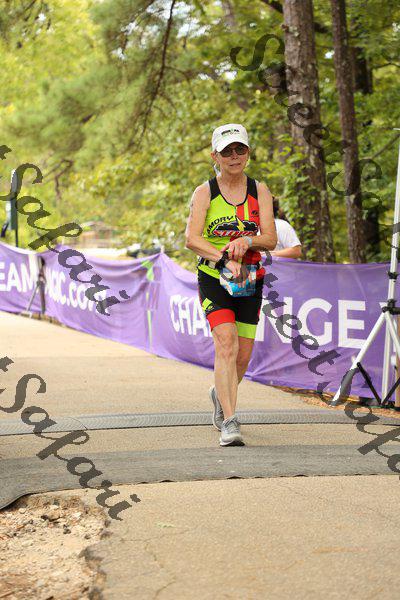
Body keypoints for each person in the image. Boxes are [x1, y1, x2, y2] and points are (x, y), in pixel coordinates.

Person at [185, 123, 277, 446]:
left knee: (242, 358)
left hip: (248, 279)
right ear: (216, 156)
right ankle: (230, 421)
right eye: (227, 151)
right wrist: (223, 257)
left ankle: (219, 393)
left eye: (240, 149)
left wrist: (247, 240)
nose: (234, 156)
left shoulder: (259, 190)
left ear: (248, 153)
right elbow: (192, 239)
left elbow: (271, 239)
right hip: (213, 276)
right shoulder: (205, 192)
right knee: (226, 343)